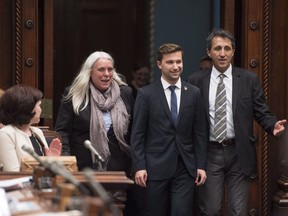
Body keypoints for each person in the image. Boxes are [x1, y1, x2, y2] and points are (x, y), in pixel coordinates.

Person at [187, 29, 287, 216]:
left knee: (237, 211)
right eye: (217, 48)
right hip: (209, 153)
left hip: (239, 154)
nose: (222, 53)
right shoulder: (195, 81)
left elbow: (261, 110)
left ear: (233, 51)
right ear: (209, 52)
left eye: (227, 48)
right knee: (209, 210)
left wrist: (272, 125)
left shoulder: (248, 80)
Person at [131, 43, 208, 216]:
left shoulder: (194, 93)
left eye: (179, 62)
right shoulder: (146, 94)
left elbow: (200, 133)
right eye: (170, 62)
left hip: (185, 168)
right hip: (154, 168)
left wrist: (201, 165)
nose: (176, 67)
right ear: (159, 64)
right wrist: (139, 165)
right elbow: (137, 134)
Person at [0, 84, 62, 172]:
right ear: (27, 108)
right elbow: (12, 172)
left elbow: (48, 170)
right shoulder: (5, 134)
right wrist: (45, 168)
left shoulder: (37, 132)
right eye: (39, 105)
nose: (41, 109)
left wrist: (51, 161)